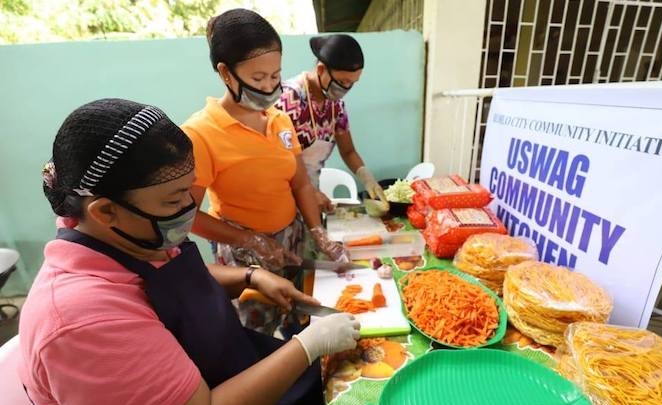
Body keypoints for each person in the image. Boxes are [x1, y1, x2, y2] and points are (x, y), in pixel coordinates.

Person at [18, 98, 360, 405]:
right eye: (174, 199)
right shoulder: (83, 323)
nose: (189, 207)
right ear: (105, 211)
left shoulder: (133, 233)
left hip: (232, 365)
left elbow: (171, 279)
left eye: (190, 190)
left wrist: (249, 277)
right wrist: (308, 345)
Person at [181, 9, 348, 334]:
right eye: (258, 79)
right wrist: (250, 239)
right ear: (225, 73)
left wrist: (318, 232)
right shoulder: (200, 133)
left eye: (275, 76)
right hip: (246, 255)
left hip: (293, 239)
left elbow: (300, 183)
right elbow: (187, 216)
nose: (270, 87)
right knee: (260, 335)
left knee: (302, 319)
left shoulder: (279, 119)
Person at [276, 34, 387, 212]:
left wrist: (367, 178)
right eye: (342, 82)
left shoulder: (336, 107)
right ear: (321, 70)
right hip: (281, 197)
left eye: (352, 83)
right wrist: (309, 191)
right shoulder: (289, 99)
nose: (345, 89)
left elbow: (348, 151)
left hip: (310, 199)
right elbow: (276, 160)